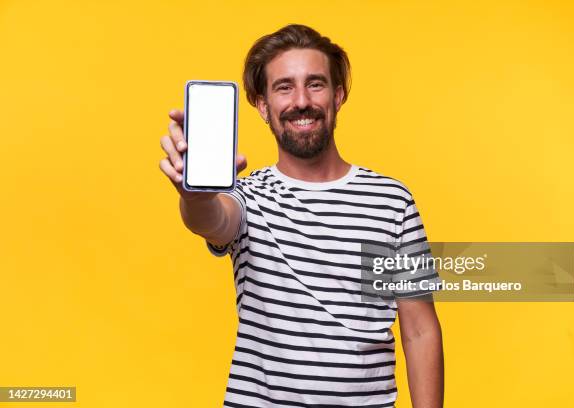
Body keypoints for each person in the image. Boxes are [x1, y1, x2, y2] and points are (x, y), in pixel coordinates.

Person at [159, 24, 444, 408]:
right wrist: (194, 194)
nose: (300, 101)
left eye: (315, 84)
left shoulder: (391, 200)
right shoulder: (247, 195)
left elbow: (420, 331)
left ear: (338, 95)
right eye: (283, 87)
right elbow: (212, 219)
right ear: (263, 106)